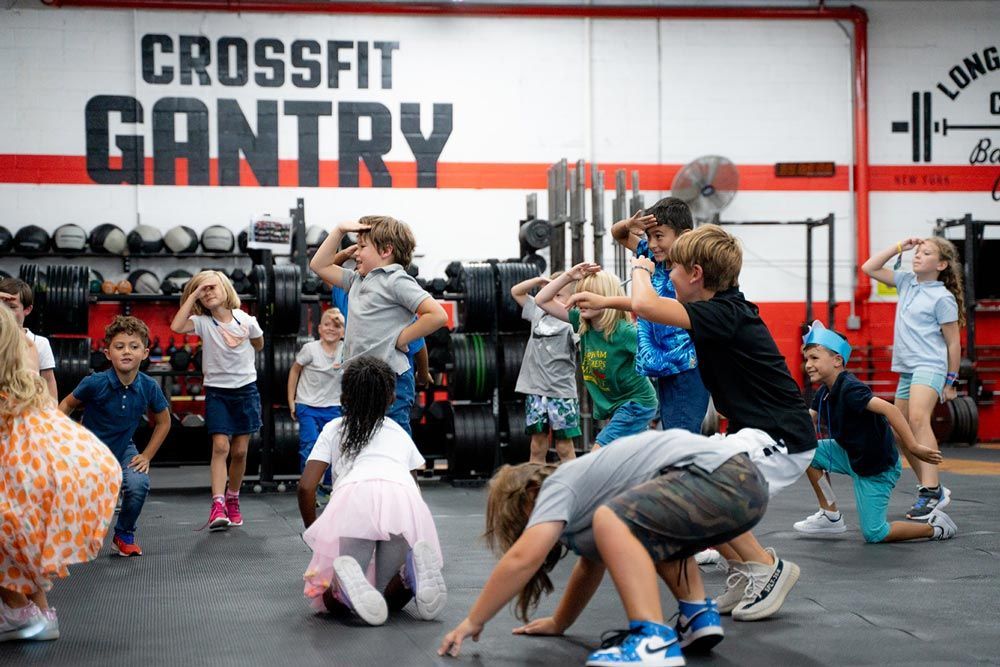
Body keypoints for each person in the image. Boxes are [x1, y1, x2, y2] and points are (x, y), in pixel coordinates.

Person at [571, 224, 813, 621]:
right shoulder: (717, 308)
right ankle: (743, 568)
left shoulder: (725, 313)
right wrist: (605, 299)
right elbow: (645, 306)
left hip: (783, 438)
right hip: (752, 431)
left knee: (697, 484)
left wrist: (641, 269)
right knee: (677, 475)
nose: (669, 278)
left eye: (674, 271)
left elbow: (648, 305)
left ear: (696, 274)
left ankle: (768, 569)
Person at [438, 429, 770, 666]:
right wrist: (560, 623)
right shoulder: (593, 488)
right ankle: (696, 615)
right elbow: (590, 566)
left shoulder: (558, 484)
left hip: (719, 478)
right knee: (642, 531)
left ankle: (651, 641)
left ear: (528, 497)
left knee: (611, 519)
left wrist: (473, 620)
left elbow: (524, 557)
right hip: (747, 485)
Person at [0, 305, 121, 642]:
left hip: (17, 489)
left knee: (8, 548)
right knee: (16, 554)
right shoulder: (26, 387)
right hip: (29, 488)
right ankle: (40, 616)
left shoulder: (11, 393)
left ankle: (19, 613)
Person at [299, 356, 446, 626]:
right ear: (390, 399)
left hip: (355, 497)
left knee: (333, 601)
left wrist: (317, 534)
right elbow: (412, 486)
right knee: (384, 597)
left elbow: (307, 486)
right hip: (403, 499)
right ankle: (409, 575)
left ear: (344, 396)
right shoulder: (399, 432)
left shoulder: (335, 428)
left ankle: (344, 585)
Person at [794, 321, 957, 543]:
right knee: (807, 452)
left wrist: (913, 446)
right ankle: (830, 516)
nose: (808, 365)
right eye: (806, 359)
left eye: (814, 358)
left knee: (875, 533)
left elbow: (890, 409)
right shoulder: (824, 391)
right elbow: (805, 421)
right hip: (850, 454)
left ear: (837, 360)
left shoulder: (851, 389)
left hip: (875, 467)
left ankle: (935, 528)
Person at [309, 216, 448, 433]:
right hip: (358, 379)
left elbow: (437, 314)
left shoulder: (396, 280)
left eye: (362, 247)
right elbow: (319, 265)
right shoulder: (355, 280)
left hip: (390, 380)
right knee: (359, 440)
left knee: (394, 443)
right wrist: (338, 231)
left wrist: (400, 338)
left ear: (386, 251)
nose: (356, 252)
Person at [861, 236, 964, 520]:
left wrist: (951, 380)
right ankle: (931, 488)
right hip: (907, 368)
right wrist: (899, 247)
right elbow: (869, 267)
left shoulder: (942, 297)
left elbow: (953, 343)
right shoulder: (906, 282)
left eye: (925, 253)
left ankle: (930, 491)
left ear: (941, 264)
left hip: (930, 365)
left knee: (918, 419)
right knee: (900, 431)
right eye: (917, 252)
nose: (917, 256)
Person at [58, 316, 171, 557]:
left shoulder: (149, 386)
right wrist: (60, 438)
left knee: (138, 484)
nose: (127, 352)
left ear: (145, 352)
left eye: (134, 346)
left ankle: (123, 535)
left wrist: (146, 455)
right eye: (119, 347)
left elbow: (163, 421)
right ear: (108, 353)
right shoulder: (94, 383)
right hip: (88, 451)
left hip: (123, 449)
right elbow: (66, 405)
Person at [170, 270, 264, 531]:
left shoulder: (246, 320)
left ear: (225, 289)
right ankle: (217, 505)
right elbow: (176, 326)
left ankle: (233, 498)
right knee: (221, 447)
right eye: (203, 290)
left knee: (240, 451)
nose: (208, 292)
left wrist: (247, 339)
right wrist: (194, 295)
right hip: (217, 392)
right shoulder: (201, 321)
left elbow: (259, 342)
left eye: (212, 287)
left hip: (245, 390)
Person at [534, 264, 658, 451]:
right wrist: (569, 276)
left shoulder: (624, 332)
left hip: (635, 404)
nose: (580, 301)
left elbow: (656, 354)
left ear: (604, 300)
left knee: (598, 452)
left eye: (588, 296)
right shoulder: (583, 323)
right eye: (579, 295)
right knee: (630, 456)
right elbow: (541, 300)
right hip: (615, 406)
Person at [610, 200, 709, 433]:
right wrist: (628, 224)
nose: (652, 244)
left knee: (681, 434)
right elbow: (618, 234)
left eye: (659, 236)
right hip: (662, 364)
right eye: (648, 237)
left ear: (684, 236)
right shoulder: (654, 257)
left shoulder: (690, 269)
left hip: (685, 365)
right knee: (672, 429)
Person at [510, 273, 580, 463]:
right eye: (549, 293)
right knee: (537, 445)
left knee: (564, 447)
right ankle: (535, 489)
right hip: (536, 391)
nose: (552, 298)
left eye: (558, 295)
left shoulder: (572, 322)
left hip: (562, 393)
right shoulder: (537, 311)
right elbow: (516, 291)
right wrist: (538, 281)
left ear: (571, 301)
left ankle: (574, 487)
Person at [289, 307, 346, 492]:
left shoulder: (346, 350)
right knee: (310, 445)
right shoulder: (310, 349)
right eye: (327, 325)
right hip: (307, 405)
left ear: (343, 332)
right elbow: (294, 370)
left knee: (335, 448)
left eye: (336, 326)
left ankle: (329, 487)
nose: (331, 329)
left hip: (333, 407)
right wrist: (291, 400)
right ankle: (309, 488)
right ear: (319, 329)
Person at [0, 277, 57, 399]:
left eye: (12, 307)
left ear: (27, 309)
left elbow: (49, 381)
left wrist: (52, 412)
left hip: (27, 409)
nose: (5, 311)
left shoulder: (40, 343)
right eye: (1, 306)